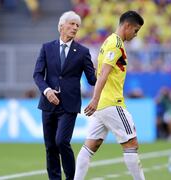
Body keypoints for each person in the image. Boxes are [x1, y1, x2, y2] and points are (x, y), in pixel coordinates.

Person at [74, 10, 145, 180]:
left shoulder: (108, 42)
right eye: (135, 30)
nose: (135, 35)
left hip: (102, 105)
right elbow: (104, 73)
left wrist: (97, 101)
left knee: (91, 145)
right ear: (127, 26)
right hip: (112, 103)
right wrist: (95, 98)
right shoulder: (116, 44)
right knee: (131, 144)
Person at [33, 11, 96, 180]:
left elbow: (92, 79)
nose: (75, 27)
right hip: (48, 104)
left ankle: (72, 178)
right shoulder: (47, 48)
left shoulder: (83, 52)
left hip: (69, 104)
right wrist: (46, 91)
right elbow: (37, 75)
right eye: (72, 24)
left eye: (77, 25)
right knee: (50, 146)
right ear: (61, 26)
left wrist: (106, 69)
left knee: (62, 141)